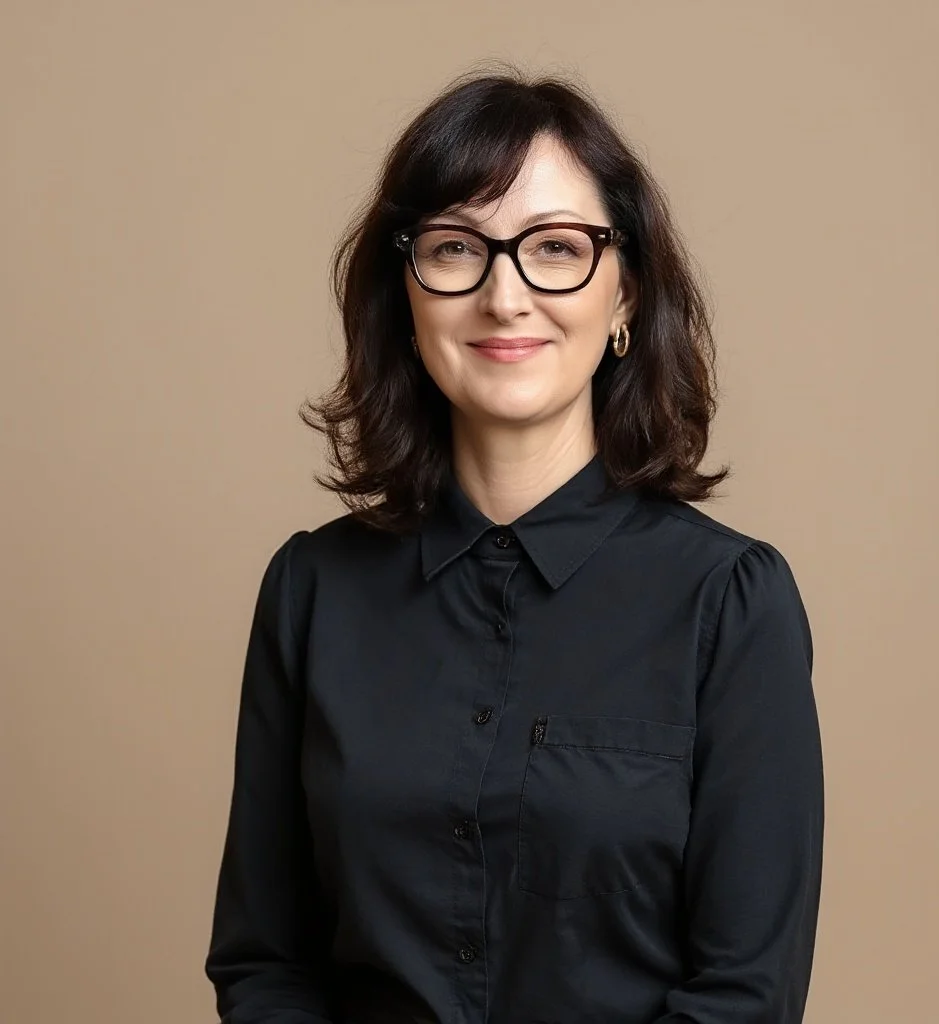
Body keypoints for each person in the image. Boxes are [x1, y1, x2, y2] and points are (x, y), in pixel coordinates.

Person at [204, 67, 825, 1024]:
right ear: (407, 294)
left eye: (556, 248)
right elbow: (264, 964)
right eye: (457, 248)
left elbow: (747, 994)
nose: (505, 296)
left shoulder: (730, 601)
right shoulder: (312, 591)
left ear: (625, 296)